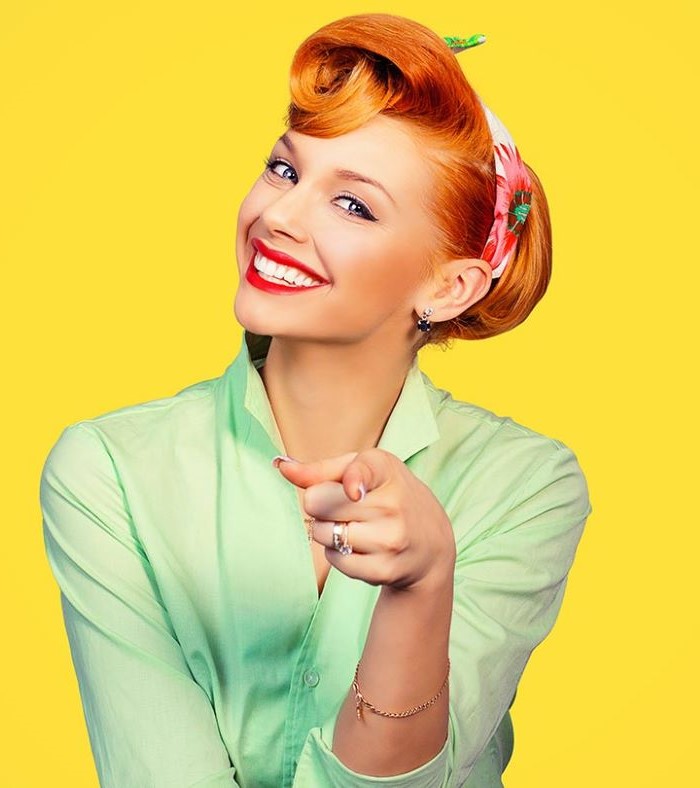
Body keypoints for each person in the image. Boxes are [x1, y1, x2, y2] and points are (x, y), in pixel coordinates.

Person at [39, 12, 592, 788]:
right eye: (286, 170)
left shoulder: (527, 485)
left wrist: (423, 584)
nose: (279, 217)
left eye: (353, 204)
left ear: (450, 285)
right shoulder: (110, 473)